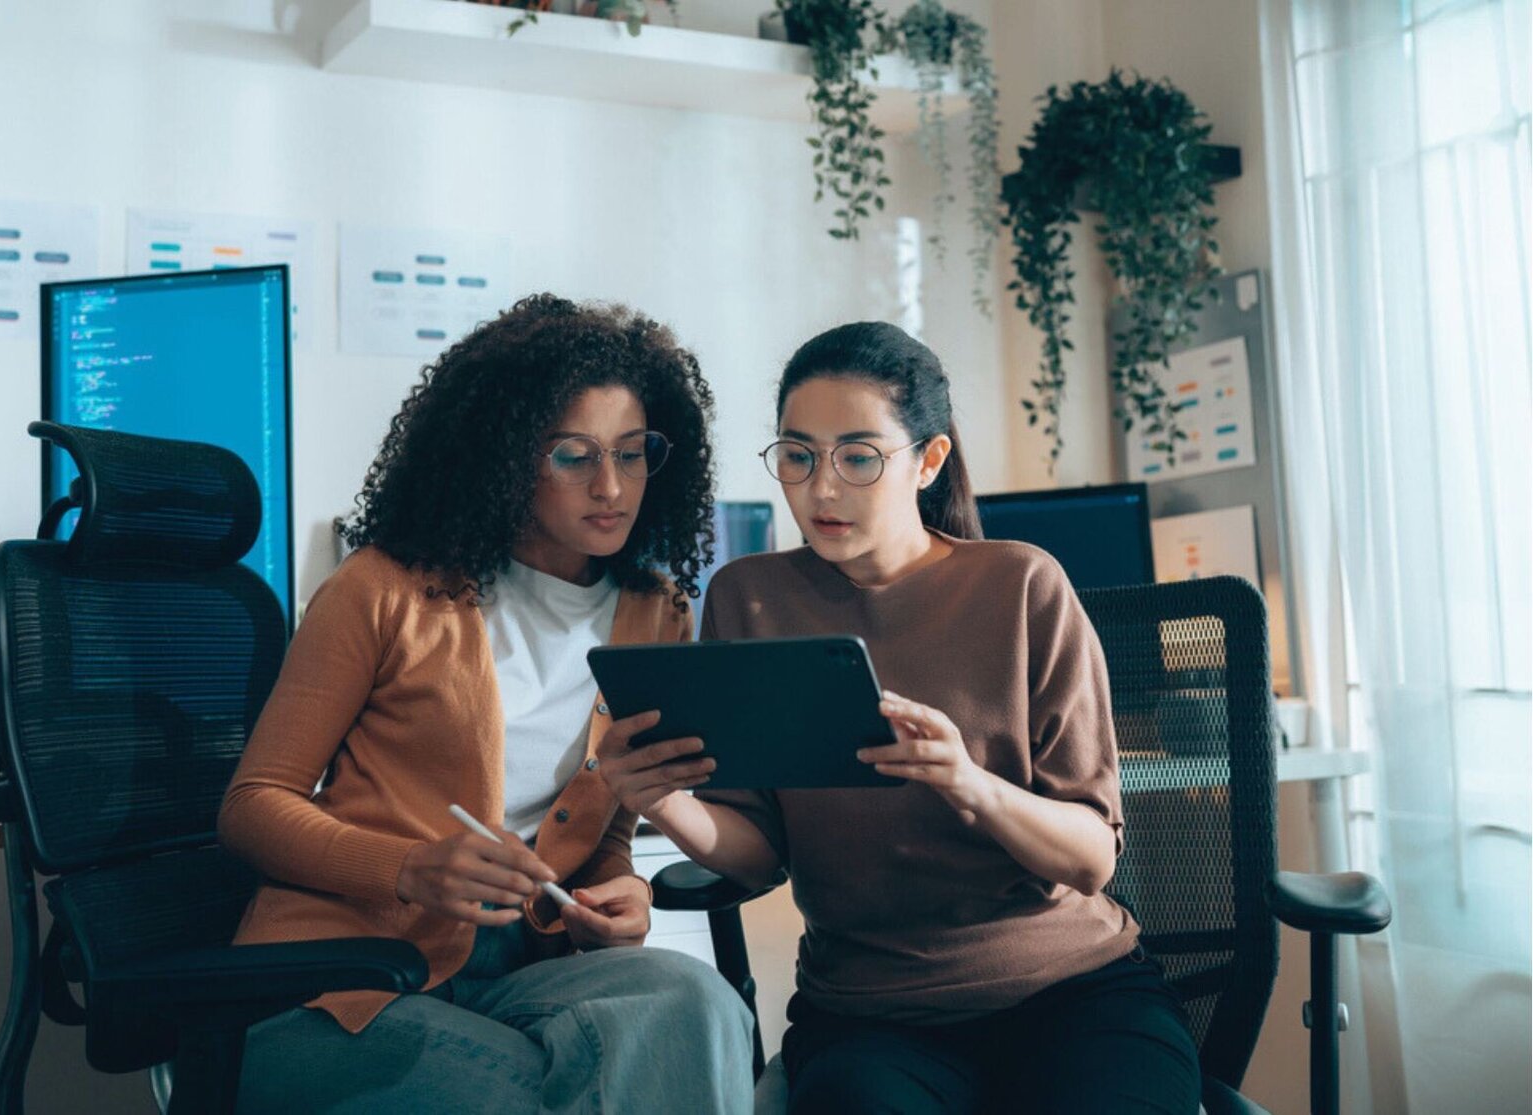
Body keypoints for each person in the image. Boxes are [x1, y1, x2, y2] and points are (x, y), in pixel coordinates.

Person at [596, 322, 1201, 1113]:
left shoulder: (1023, 586)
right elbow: (758, 855)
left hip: (1073, 994)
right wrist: (663, 802)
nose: (821, 489)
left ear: (929, 459)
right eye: (798, 455)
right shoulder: (750, 599)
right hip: (870, 1018)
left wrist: (968, 782)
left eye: (858, 456)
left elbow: (1091, 859)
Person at [219, 294, 755, 1113]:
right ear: (505, 457)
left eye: (633, 451)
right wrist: (407, 867)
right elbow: (253, 807)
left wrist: (623, 897)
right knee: (561, 1093)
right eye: (573, 456)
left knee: (699, 1005)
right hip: (337, 986)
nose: (611, 486)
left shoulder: (655, 612)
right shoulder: (383, 588)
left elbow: (604, 822)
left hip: (516, 979)